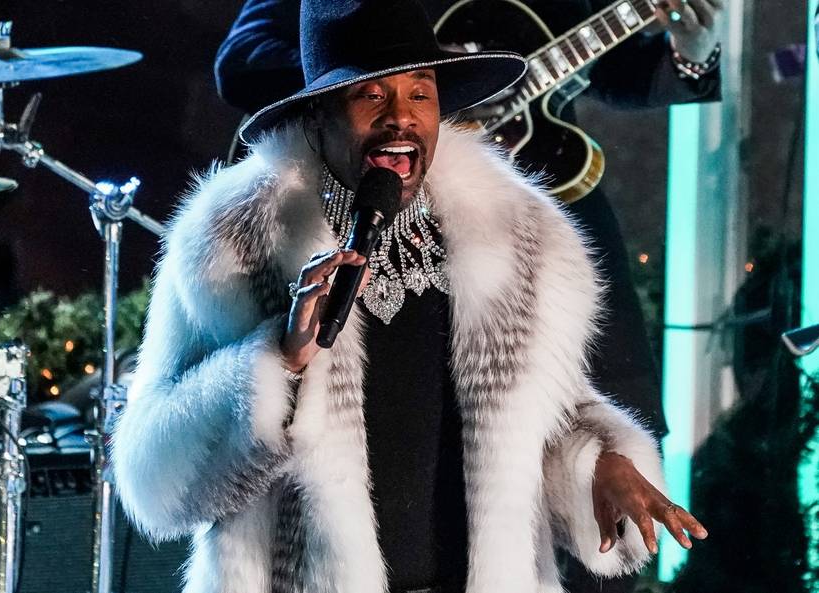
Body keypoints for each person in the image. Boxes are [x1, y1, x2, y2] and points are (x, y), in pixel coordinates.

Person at [112, 1, 706, 592]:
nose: (401, 118)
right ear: (320, 110)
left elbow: (553, 420)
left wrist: (601, 463)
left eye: (420, 94)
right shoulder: (234, 238)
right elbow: (153, 476)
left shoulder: (522, 236)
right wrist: (274, 364)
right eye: (371, 96)